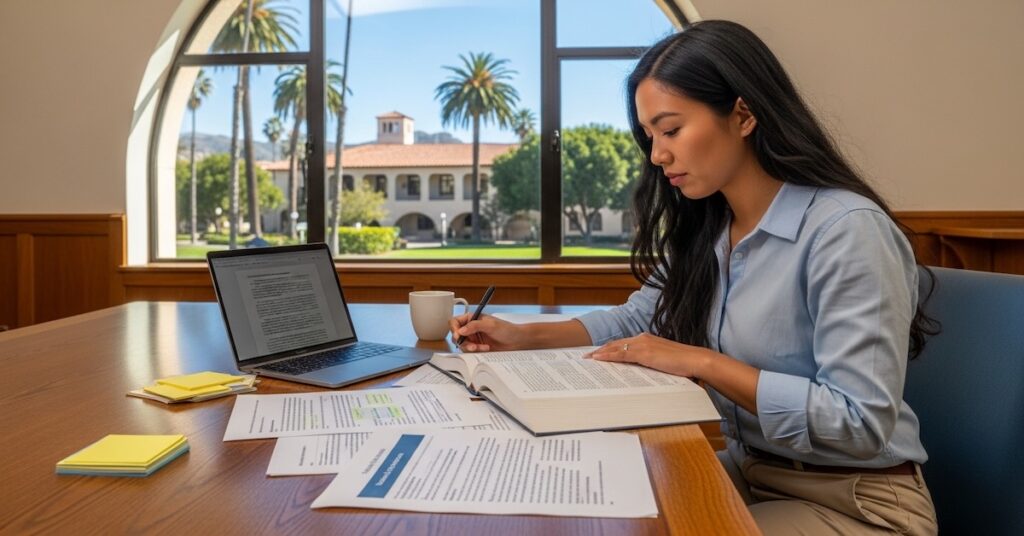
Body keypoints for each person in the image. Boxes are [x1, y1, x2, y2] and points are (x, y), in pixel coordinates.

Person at [448, 20, 939, 535]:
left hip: (858, 503)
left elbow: (859, 422)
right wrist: (523, 336)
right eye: (650, 136)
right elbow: (638, 319)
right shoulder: (710, 230)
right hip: (754, 472)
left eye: (671, 130)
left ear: (743, 115)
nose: (657, 154)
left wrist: (703, 363)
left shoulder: (845, 231)